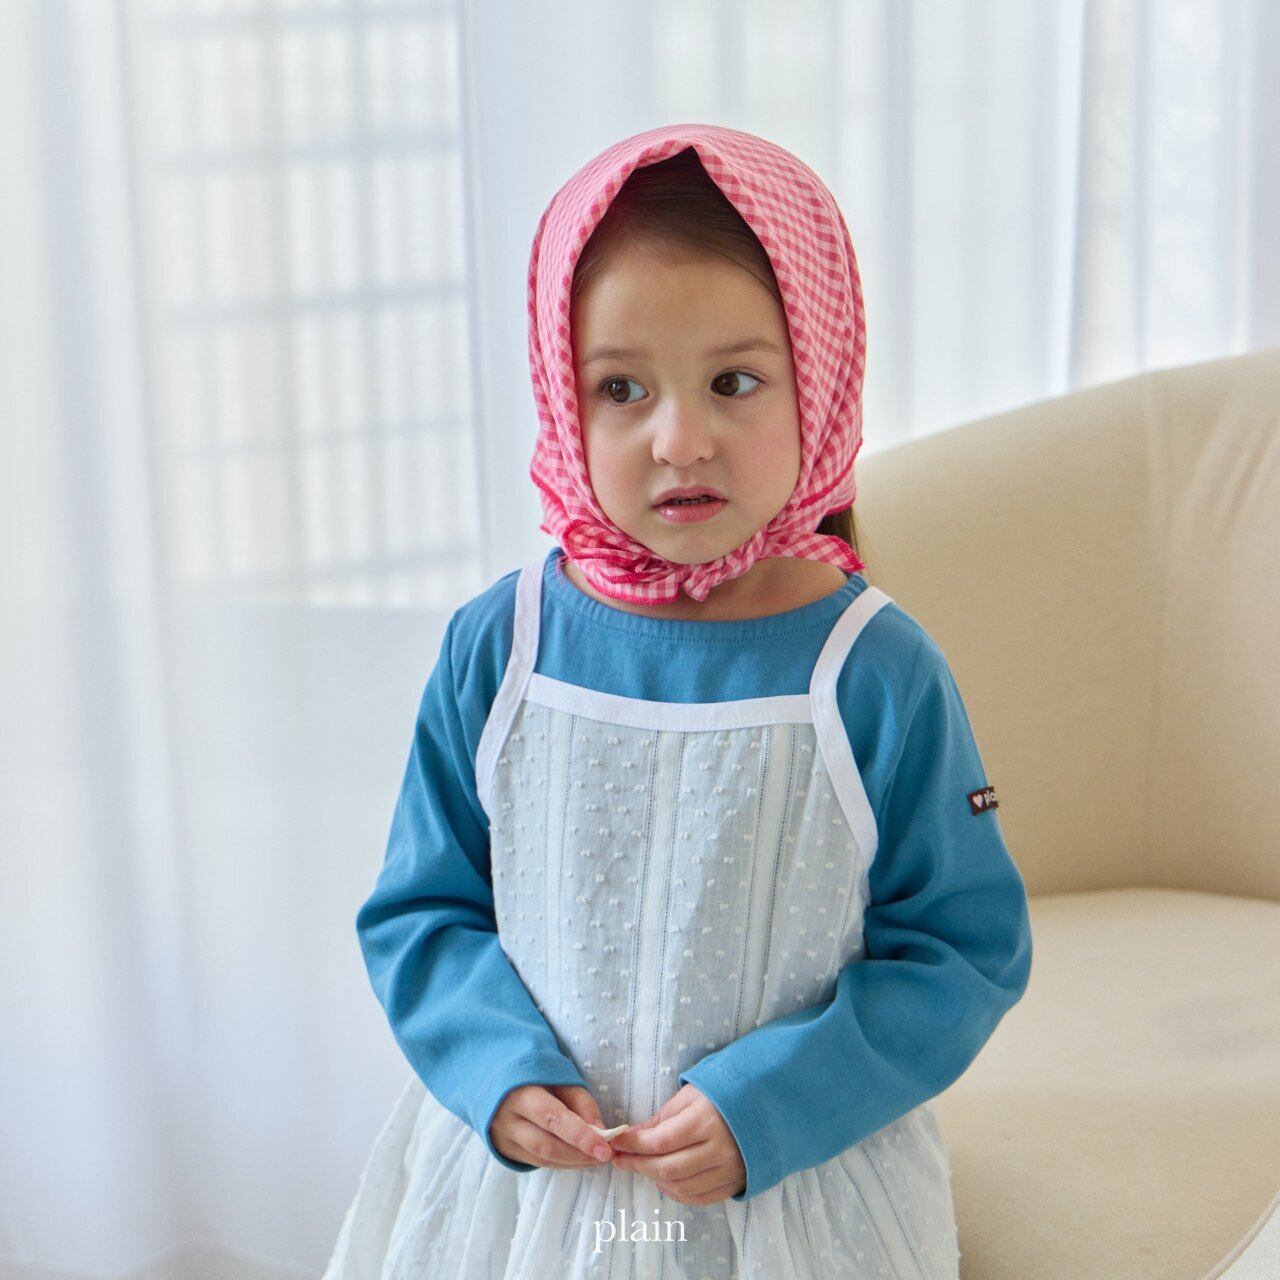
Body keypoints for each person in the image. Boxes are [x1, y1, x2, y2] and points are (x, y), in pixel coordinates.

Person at [323, 122, 1033, 1279]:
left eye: (732, 381)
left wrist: (771, 1101)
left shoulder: (874, 670)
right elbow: (422, 909)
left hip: (794, 1205)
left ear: (819, 377)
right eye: (621, 387)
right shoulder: (498, 648)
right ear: (562, 396)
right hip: (527, 1208)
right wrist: (496, 1071)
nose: (680, 438)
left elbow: (962, 948)